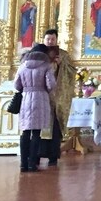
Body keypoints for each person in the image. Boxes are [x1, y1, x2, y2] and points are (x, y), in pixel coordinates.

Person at [14, 43, 57, 172]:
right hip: (40, 99)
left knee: (25, 132)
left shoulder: (22, 66)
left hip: (26, 98)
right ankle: (32, 163)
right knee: (36, 133)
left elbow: (16, 85)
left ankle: (23, 163)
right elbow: (51, 84)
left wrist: (26, 88)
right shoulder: (46, 66)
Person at [39, 29, 75, 166]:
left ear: (56, 40)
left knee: (54, 126)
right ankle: (39, 153)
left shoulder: (64, 55)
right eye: (48, 39)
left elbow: (71, 72)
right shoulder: (38, 54)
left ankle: (53, 155)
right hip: (42, 96)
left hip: (57, 96)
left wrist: (61, 65)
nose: (50, 42)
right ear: (44, 40)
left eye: (52, 39)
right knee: (40, 126)